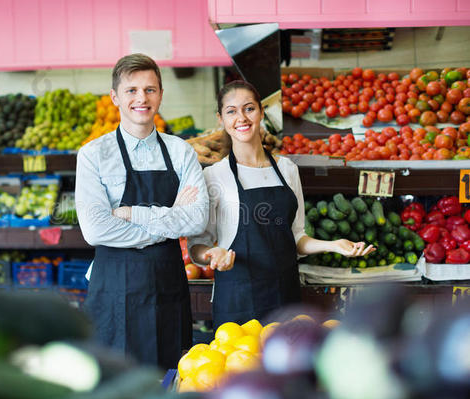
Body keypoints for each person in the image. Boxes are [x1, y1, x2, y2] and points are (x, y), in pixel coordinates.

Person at [188, 80, 374, 328]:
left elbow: (297, 237)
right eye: (231, 111)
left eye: (249, 108)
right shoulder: (214, 176)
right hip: (239, 300)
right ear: (221, 118)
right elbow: (196, 245)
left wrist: (333, 245)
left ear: (261, 112)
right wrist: (212, 254)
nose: (241, 117)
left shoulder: (287, 169)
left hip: (285, 296)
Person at [75, 53, 209, 369]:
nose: (141, 98)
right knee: (118, 386)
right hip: (113, 292)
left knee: (167, 381)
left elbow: (197, 218)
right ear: (115, 97)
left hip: (167, 287)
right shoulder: (94, 155)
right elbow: (96, 230)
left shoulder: (181, 152)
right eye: (131, 90)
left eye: (150, 89)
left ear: (161, 94)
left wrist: (131, 213)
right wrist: (170, 219)